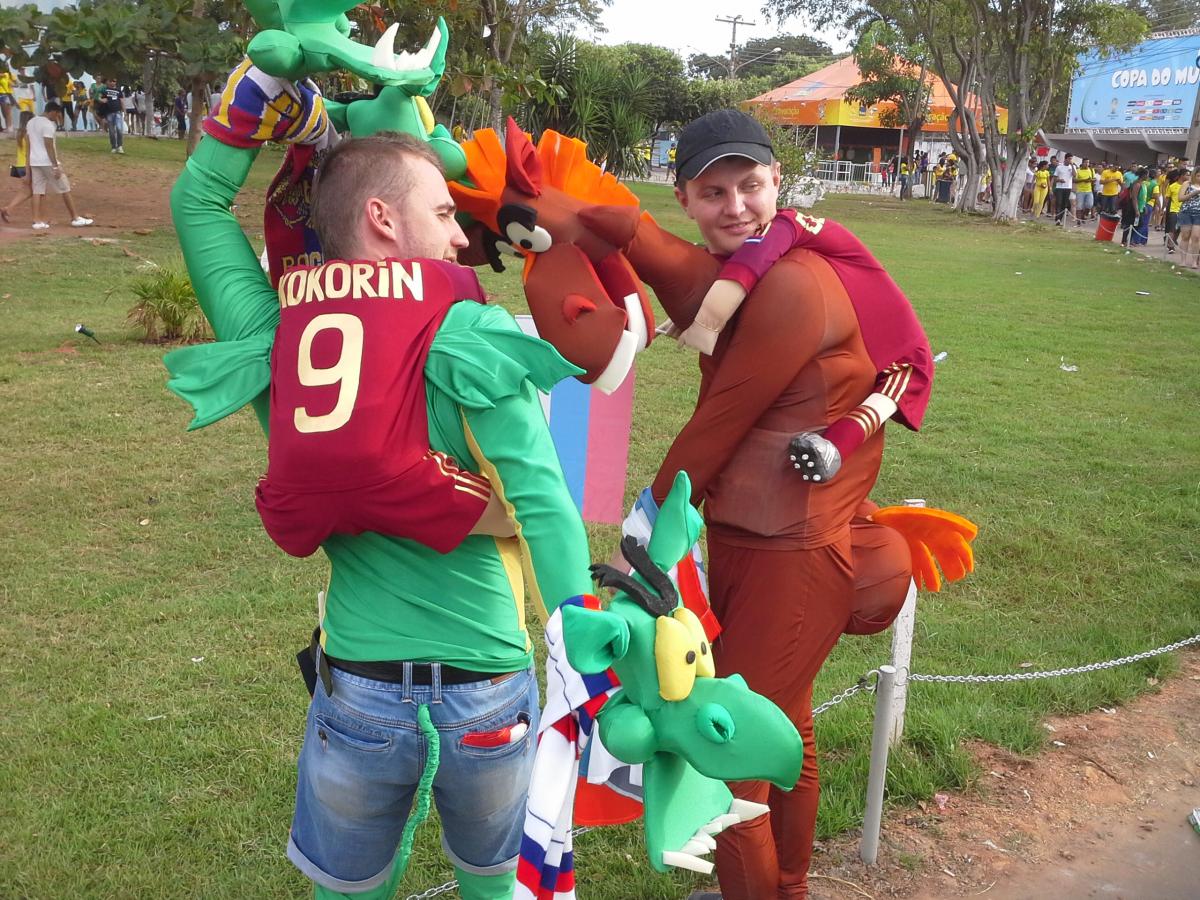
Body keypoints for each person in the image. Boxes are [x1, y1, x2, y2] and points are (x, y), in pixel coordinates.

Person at [167, 71, 597, 900]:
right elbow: (544, 505)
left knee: (346, 891)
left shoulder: (277, 335)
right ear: (383, 218)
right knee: (499, 886)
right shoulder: (467, 331)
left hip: (358, 683)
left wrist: (249, 101)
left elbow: (197, 206)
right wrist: (588, 665)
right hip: (486, 681)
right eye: (442, 213)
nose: (458, 239)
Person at [599, 108, 914, 900]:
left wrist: (649, 526)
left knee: (729, 754)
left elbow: (722, 420)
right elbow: (670, 268)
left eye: (750, 186)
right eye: (714, 192)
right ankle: (790, 887)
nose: (736, 206)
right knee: (787, 724)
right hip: (756, 536)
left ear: (778, 182)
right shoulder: (745, 274)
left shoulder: (794, 283)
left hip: (789, 546)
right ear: (684, 197)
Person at [19, 102, 92, 230]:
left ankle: (37, 221)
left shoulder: (31, 122)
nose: (57, 117)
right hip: (47, 162)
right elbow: (48, 145)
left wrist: (28, 168)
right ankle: (75, 217)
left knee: (37, 191)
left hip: (35, 161)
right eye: (57, 114)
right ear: (52, 111)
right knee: (65, 188)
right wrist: (55, 166)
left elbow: (29, 143)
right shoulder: (48, 125)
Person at [0, 110, 33, 223]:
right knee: (34, 192)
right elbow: (29, 153)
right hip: (26, 166)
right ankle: (9, 209)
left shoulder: (19, 133)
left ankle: (8, 209)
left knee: (27, 191)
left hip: (19, 166)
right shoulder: (28, 135)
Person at [1176, 169, 1200, 268]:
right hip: (1186, 212)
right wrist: (1194, 193)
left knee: (1196, 237)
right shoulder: (1187, 184)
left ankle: (1194, 261)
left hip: (1198, 214)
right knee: (1185, 236)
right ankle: (1183, 261)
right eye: (1198, 176)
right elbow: (1180, 198)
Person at [100, 78, 124, 153]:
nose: (112, 83)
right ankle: (113, 146)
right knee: (111, 131)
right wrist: (102, 100)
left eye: (114, 81)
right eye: (111, 81)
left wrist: (124, 110)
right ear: (108, 82)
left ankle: (120, 146)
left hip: (118, 112)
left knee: (119, 129)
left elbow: (122, 101)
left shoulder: (118, 91)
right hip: (109, 112)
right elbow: (100, 99)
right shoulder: (105, 90)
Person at [1052, 152, 1075, 225]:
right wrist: (1059, 180)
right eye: (1069, 159)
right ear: (1065, 159)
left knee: (1064, 204)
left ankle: (1060, 219)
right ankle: (1058, 219)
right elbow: (1055, 178)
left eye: (1071, 159)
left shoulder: (1072, 167)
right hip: (1060, 187)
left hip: (1068, 188)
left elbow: (1074, 175)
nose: (1070, 160)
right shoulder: (1059, 167)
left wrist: (1072, 165)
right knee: (1059, 202)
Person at [1073, 157, 1095, 224]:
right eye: (1085, 162)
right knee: (1079, 206)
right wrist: (1084, 180)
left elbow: (1094, 179)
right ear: (1082, 163)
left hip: (1089, 190)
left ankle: (1083, 216)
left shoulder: (1091, 170)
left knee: (1090, 205)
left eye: (1088, 162)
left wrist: (1090, 180)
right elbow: (1074, 180)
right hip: (1080, 191)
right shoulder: (1078, 170)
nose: (1087, 164)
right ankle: (1078, 221)